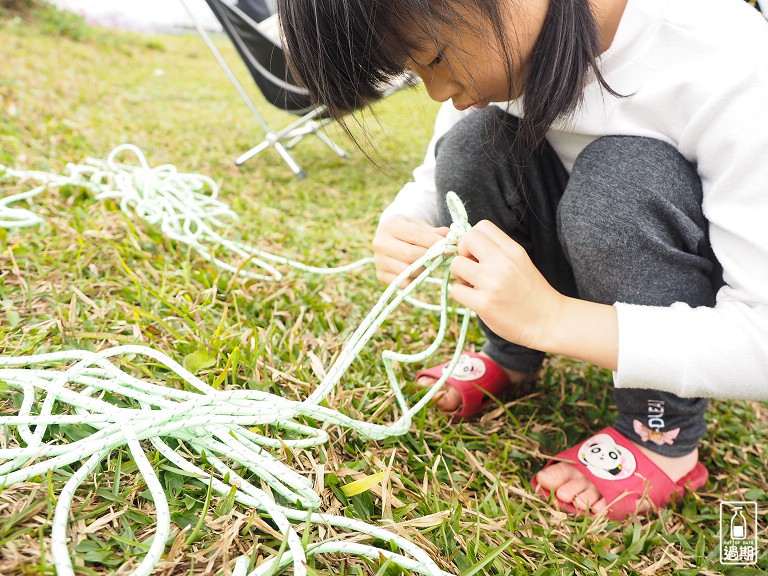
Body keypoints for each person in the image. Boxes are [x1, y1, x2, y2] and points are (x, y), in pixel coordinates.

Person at [277, 0, 768, 519]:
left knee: (620, 177)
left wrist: (552, 319)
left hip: (681, 280)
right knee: (474, 143)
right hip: (576, 248)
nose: (439, 92)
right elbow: (437, 167)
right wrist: (405, 222)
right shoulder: (508, 38)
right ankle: (511, 355)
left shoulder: (725, 59)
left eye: (436, 59)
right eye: (414, 72)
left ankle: (660, 433)